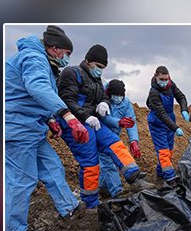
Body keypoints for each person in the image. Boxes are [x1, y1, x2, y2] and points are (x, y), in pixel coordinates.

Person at [4, 25, 84, 231]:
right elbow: (37, 87)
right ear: (56, 48)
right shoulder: (34, 58)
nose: (67, 58)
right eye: (67, 54)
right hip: (17, 128)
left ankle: (69, 208)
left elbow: (30, 97)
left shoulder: (42, 62)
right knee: (21, 179)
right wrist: (67, 116)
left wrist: (49, 119)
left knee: (53, 167)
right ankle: (12, 230)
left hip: (32, 128)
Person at [57, 44, 151, 209]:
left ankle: (135, 178)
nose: (100, 70)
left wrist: (103, 103)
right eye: (98, 66)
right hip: (74, 123)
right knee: (91, 164)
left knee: (115, 143)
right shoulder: (71, 73)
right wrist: (85, 116)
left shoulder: (96, 80)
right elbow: (66, 100)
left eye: (103, 68)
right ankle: (91, 204)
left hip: (93, 122)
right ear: (88, 61)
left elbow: (103, 96)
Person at [146, 66, 190, 185]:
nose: (164, 82)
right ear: (156, 77)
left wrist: (184, 109)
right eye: (162, 79)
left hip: (170, 119)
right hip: (157, 122)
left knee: (169, 150)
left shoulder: (171, 85)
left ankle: (160, 173)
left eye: (166, 79)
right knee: (163, 151)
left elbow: (181, 96)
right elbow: (161, 113)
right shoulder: (153, 93)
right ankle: (170, 178)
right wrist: (175, 128)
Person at [97, 79, 140, 198]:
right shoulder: (102, 100)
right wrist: (118, 122)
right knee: (107, 163)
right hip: (101, 135)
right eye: (116, 96)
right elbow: (103, 118)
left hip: (114, 137)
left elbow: (131, 121)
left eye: (121, 95)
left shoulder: (125, 103)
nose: (119, 98)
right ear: (109, 93)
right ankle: (117, 191)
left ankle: (103, 188)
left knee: (108, 163)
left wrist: (134, 141)